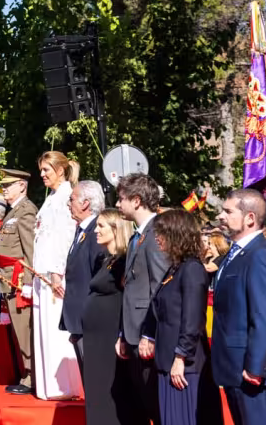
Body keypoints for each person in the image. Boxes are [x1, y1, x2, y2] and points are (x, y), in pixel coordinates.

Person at [212, 188, 266, 425]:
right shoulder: (235, 255)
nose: (220, 216)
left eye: (228, 211)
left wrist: (256, 367)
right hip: (235, 370)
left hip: (255, 375)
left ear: (250, 218)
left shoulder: (261, 255)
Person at [149, 208, 221, 425]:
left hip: (184, 366)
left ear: (176, 234)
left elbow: (193, 319)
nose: (157, 238)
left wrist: (180, 358)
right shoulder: (175, 268)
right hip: (167, 361)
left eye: (161, 233)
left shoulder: (192, 269)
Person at [116, 173, 170, 425]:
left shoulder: (157, 234)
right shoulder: (137, 235)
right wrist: (123, 332)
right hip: (134, 332)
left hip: (148, 334)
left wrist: (151, 333)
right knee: (144, 402)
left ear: (136, 200)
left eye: (121, 199)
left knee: (156, 405)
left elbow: (160, 288)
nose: (117, 204)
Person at [32, 151, 82, 399]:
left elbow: (64, 237)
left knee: (57, 331)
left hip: (54, 273)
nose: (42, 175)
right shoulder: (51, 197)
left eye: (46, 170)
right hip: (42, 271)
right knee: (45, 330)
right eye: (41, 170)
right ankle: (50, 385)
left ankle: (65, 385)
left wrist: (56, 272)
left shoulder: (65, 197)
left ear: (60, 170)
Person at [81, 208, 136, 425]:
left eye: (101, 226)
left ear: (116, 229)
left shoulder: (125, 261)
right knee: (96, 389)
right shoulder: (105, 259)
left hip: (110, 335)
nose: (96, 230)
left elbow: (128, 298)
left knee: (109, 389)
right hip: (96, 338)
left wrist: (123, 334)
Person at [0, 170, 37, 395]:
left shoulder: (26, 211)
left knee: (24, 330)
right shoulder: (13, 211)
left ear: (22, 186)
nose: (4, 189)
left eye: (8, 185)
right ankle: (25, 374)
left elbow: (29, 250)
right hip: (9, 279)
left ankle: (32, 377)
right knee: (18, 331)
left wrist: (28, 282)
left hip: (19, 279)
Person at [61, 180, 104, 372]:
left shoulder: (96, 231)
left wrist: (86, 319)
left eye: (72, 199)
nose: (68, 204)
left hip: (90, 321)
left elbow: (97, 278)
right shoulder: (82, 230)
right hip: (79, 321)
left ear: (85, 203)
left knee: (94, 375)